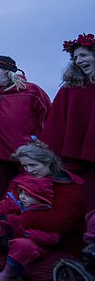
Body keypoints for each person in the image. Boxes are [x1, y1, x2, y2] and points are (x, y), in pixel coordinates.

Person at [0, 141, 85, 281]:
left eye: (33, 165)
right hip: (26, 236)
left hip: (59, 241)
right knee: (1, 261)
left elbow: (60, 220)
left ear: (48, 163)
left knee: (38, 270)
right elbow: (9, 203)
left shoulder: (69, 187)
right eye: (25, 166)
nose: (29, 170)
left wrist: (21, 220)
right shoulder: (25, 180)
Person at [0, 55, 51, 198]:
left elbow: (48, 119)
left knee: (30, 191)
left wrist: (42, 145)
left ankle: (32, 218)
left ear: (6, 70)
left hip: (27, 155)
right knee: (6, 193)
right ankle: (9, 218)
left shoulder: (32, 91)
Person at [0, 174, 59, 281]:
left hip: (29, 247)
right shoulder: (17, 205)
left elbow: (52, 238)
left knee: (22, 244)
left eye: (28, 195)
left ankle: (8, 274)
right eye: (22, 192)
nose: (22, 197)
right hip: (7, 239)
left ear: (41, 197)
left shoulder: (48, 215)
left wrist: (26, 233)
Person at [43, 33, 95, 213]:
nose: (79, 61)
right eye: (75, 58)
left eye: (83, 55)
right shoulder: (71, 88)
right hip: (79, 160)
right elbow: (56, 122)